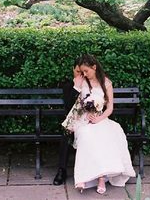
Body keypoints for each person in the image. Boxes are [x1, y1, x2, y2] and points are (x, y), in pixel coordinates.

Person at [62, 54, 135, 195]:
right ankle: (82, 177)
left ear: (94, 67)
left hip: (101, 119)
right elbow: (75, 105)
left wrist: (98, 118)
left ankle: (102, 178)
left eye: (86, 71)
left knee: (104, 135)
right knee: (86, 135)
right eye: (82, 72)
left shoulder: (106, 83)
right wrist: (77, 87)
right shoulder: (82, 82)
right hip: (83, 121)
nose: (84, 74)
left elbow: (110, 108)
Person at [53, 57, 83, 185]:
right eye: (77, 72)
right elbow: (69, 106)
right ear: (73, 69)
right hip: (73, 120)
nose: (80, 75)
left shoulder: (92, 84)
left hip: (89, 120)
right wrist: (76, 88)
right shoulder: (68, 86)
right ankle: (62, 170)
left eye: (83, 72)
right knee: (66, 133)